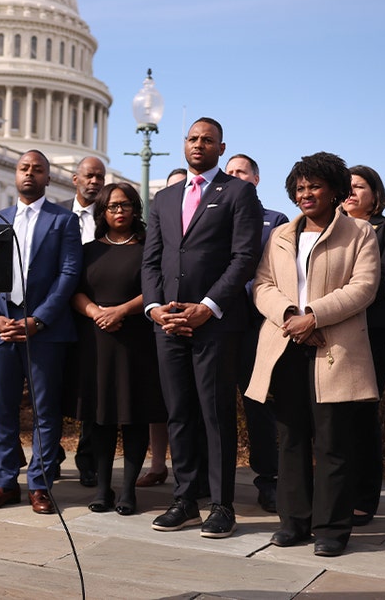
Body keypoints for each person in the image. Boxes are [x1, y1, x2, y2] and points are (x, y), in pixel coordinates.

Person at [245, 152, 380, 557]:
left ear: (336, 190)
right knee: (290, 439)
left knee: (333, 443)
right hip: (285, 344)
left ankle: (331, 530)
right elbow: (263, 284)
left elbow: (364, 287)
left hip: (334, 348)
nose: (306, 194)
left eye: (314, 186)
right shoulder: (281, 235)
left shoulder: (360, 233)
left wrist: (315, 317)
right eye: (300, 188)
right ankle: (294, 522)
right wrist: (290, 316)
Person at [141, 117, 263, 538]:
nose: (198, 145)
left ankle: (222, 505)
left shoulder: (239, 192)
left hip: (214, 324)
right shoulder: (165, 197)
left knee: (214, 415)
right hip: (167, 324)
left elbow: (244, 257)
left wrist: (208, 307)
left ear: (221, 147)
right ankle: (185, 499)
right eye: (192, 139)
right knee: (179, 414)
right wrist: (155, 308)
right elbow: (151, 260)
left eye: (207, 140)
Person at [0, 149, 82, 516]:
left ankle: (40, 484)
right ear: (16, 174)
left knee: (45, 411)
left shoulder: (63, 220)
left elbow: (69, 274)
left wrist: (40, 319)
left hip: (44, 331)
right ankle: (5, 484)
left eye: (38, 170)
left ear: (48, 178)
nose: (29, 174)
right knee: (2, 410)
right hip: (1, 330)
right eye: (24, 168)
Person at [71, 182, 165, 515]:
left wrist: (121, 311)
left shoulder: (149, 249)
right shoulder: (88, 249)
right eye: (112, 206)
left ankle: (127, 491)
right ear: (102, 212)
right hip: (96, 341)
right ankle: (102, 489)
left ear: (136, 209)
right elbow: (76, 291)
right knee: (101, 419)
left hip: (135, 339)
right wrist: (97, 312)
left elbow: (156, 290)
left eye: (125, 205)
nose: (119, 211)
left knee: (134, 416)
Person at [225, 153, 289, 513]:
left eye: (241, 172)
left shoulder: (275, 222)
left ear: (256, 179)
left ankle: (270, 480)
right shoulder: (213, 215)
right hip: (217, 324)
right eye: (229, 172)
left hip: (256, 326)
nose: (234, 177)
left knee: (259, 406)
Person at [338, 165, 385, 526]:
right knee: (334, 417)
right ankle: (335, 492)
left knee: (361, 414)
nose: (352, 192)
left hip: (371, 329)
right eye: (347, 187)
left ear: (375, 194)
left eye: (360, 187)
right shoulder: (328, 229)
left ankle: (363, 497)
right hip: (330, 330)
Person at [136, 168, 189, 489]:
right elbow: (150, 265)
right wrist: (154, 308)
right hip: (156, 322)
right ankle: (159, 465)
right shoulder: (158, 221)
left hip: (196, 318)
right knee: (160, 402)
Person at [58, 156, 106, 488]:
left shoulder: (111, 218)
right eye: (89, 176)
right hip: (56, 314)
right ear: (75, 179)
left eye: (100, 177)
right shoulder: (56, 213)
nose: (95, 183)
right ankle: (52, 456)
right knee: (52, 391)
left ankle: (88, 459)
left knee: (92, 391)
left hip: (94, 315)